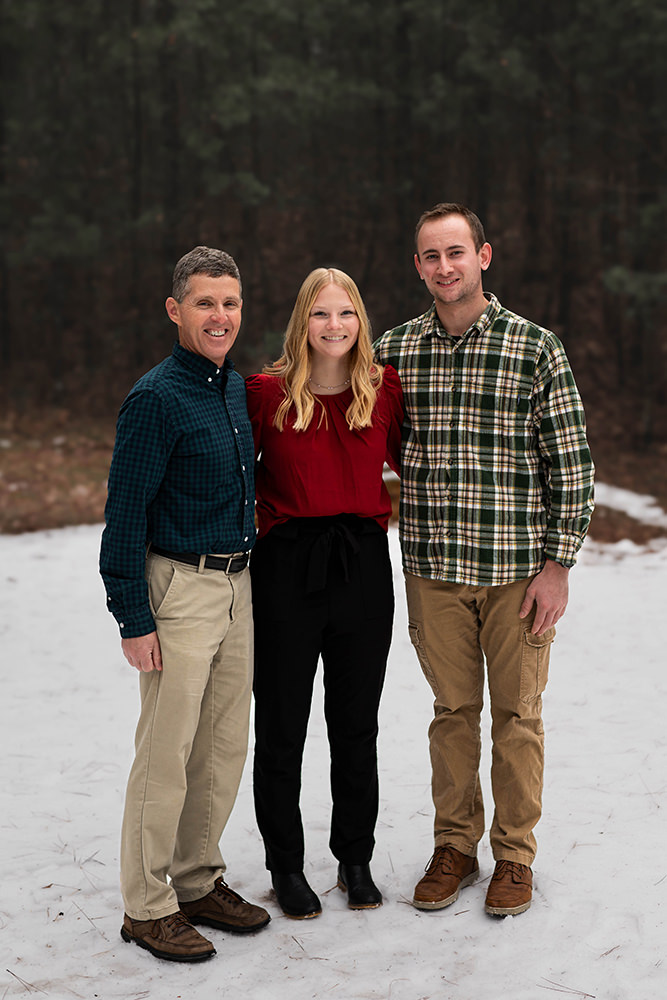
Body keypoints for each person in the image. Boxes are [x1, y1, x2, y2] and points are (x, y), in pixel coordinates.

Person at [374, 203, 594, 917]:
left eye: (456, 252)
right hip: (433, 570)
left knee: (517, 717)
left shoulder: (535, 347)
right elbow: (345, 424)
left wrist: (557, 564)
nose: (444, 266)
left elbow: (573, 465)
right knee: (451, 713)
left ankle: (514, 856)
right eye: (430, 255)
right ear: (417, 266)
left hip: (515, 574)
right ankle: (453, 846)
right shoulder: (395, 351)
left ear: (483, 256)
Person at [99, 246, 270, 963]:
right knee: (165, 754)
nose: (219, 315)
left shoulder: (233, 390)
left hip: (238, 585)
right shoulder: (155, 398)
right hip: (178, 589)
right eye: (205, 302)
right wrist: (132, 616)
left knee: (223, 746)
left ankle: (198, 879)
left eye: (228, 303)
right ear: (176, 310)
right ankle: (146, 905)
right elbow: (124, 514)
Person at [246, 267, 403, 919]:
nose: (333, 326)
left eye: (344, 314)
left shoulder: (384, 387)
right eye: (320, 314)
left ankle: (354, 858)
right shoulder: (264, 392)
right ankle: (285, 866)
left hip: (362, 564)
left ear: (359, 320)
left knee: (355, 725)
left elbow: (417, 460)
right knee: (281, 726)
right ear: (300, 323)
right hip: (286, 566)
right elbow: (227, 469)